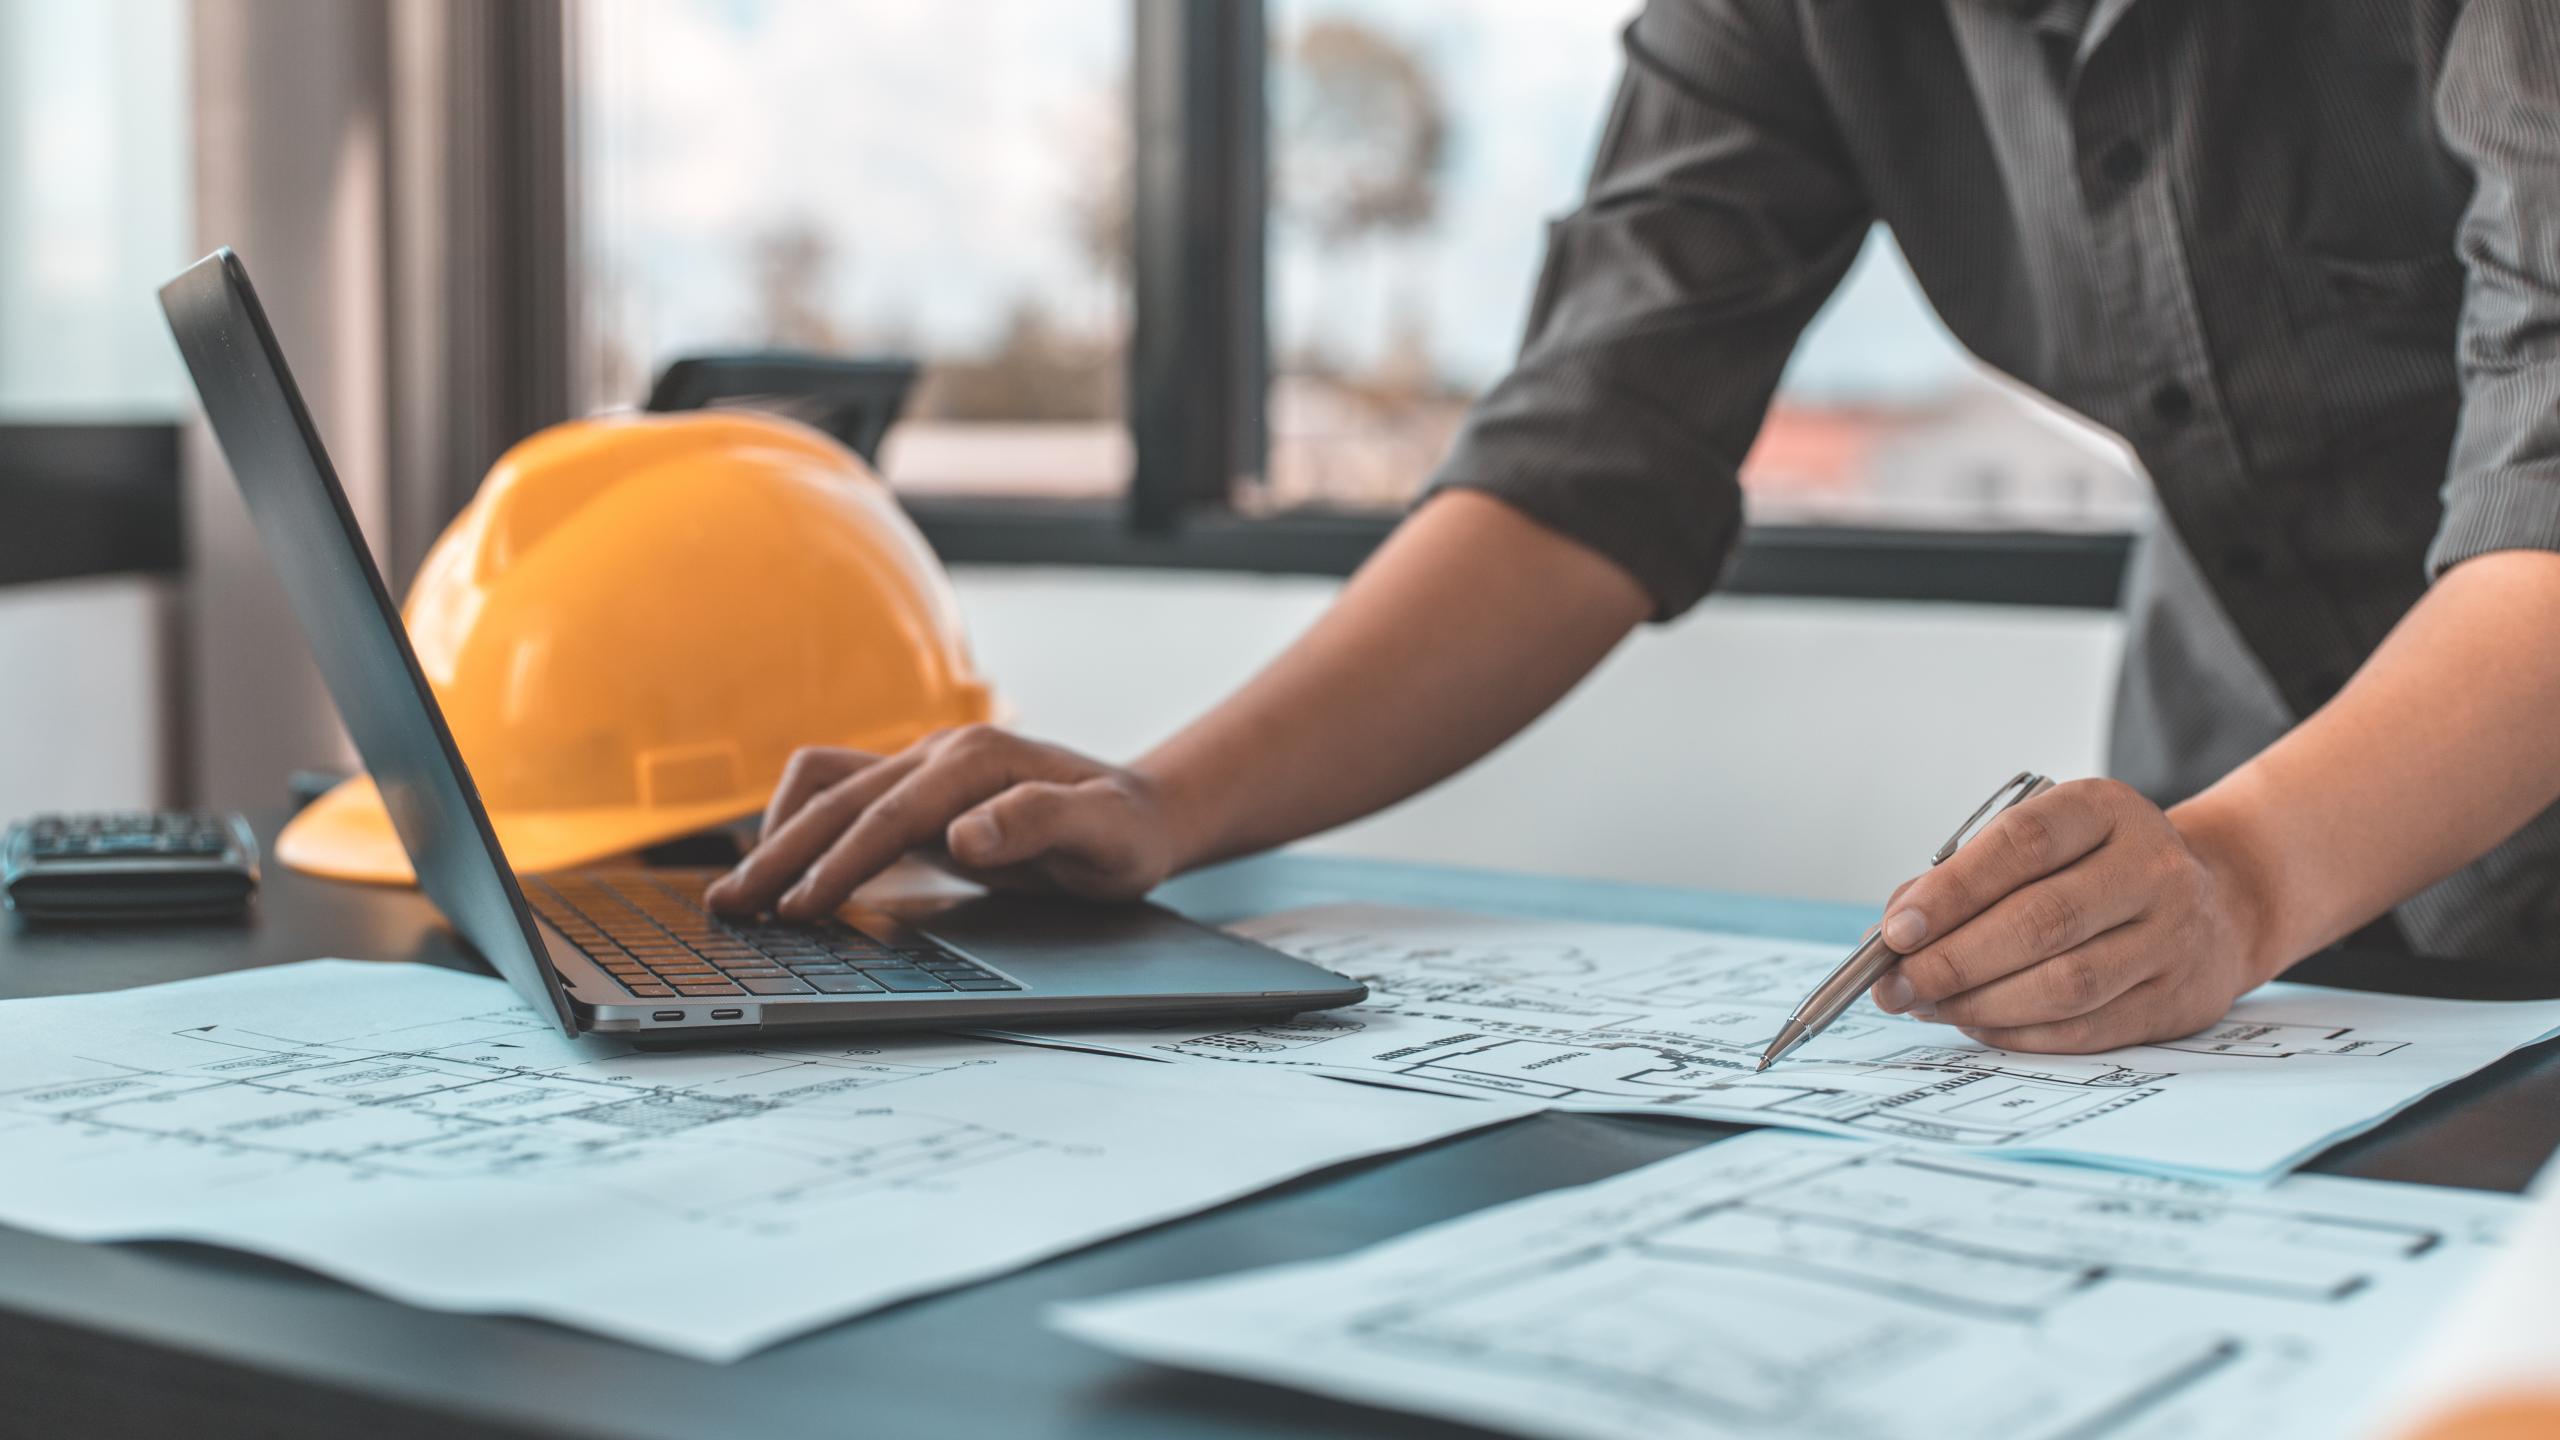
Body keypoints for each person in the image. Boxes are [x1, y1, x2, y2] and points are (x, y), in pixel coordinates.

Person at [709, 0, 2560, 1053]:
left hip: (2292, 844)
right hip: (2232, 831)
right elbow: (1589, 449)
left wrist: (2240, 878)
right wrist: (1172, 799)